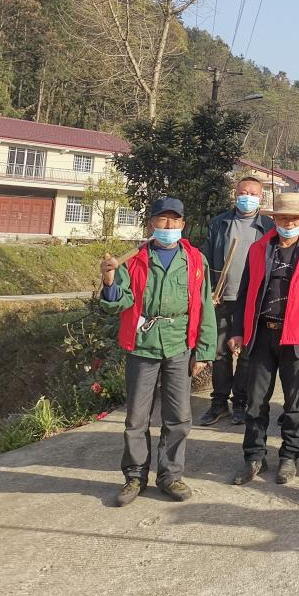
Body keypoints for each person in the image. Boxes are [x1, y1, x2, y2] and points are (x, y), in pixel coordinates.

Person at [98, 197, 215, 506]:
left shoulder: (195, 261)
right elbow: (119, 302)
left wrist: (204, 351)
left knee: (178, 416)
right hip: (142, 346)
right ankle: (135, 476)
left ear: (183, 224)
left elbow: (204, 306)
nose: (168, 225)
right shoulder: (134, 260)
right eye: (162, 219)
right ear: (151, 223)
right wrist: (109, 280)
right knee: (136, 418)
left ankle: (170, 476)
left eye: (174, 220)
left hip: (179, 344)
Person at [228, 192, 299, 486]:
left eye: (295, 219)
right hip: (262, 334)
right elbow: (245, 291)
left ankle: (289, 457)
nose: (289, 224)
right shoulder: (259, 249)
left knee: (294, 402)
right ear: (275, 220)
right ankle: (254, 457)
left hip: (297, 337)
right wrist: (238, 330)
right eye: (283, 218)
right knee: (255, 401)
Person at [201, 177, 273, 426]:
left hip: (251, 300)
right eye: (243, 192)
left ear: (261, 197)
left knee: (245, 354)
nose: (247, 197)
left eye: (253, 193)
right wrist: (209, 290)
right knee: (219, 353)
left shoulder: (268, 227)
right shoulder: (219, 223)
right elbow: (205, 260)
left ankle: (240, 402)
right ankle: (219, 403)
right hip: (222, 298)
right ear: (235, 194)